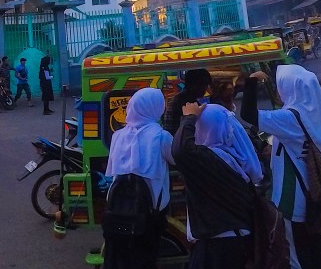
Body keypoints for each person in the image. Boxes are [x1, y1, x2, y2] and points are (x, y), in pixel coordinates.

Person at [242, 64, 321, 269]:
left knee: (296, 255)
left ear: (290, 88)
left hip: (293, 200)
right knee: (313, 247)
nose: (277, 90)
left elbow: (248, 114)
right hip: (314, 194)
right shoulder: (314, 112)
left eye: (280, 85)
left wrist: (251, 82)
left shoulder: (289, 118)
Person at [172, 102, 261, 269]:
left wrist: (189, 118)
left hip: (219, 247)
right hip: (237, 240)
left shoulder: (210, 159)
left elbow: (180, 150)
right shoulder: (232, 157)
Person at [103, 87, 174, 269]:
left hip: (117, 207)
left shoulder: (117, 136)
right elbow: (176, 159)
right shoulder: (161, 136)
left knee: (118, 256)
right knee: (143, 258)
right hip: (149, 212)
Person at [163, 68, 212, 134]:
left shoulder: (178, 99)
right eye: (203, 85)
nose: (205, 88)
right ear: (193, 84)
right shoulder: (188, 104)